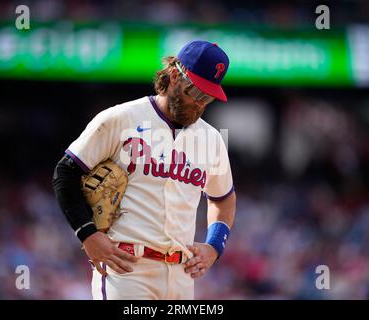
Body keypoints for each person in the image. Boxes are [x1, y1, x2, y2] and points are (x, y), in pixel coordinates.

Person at [52, 40, 236, 300]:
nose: (200, 103)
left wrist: (214, 245)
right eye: (195, 92)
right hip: (127, 269)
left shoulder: (212, 139)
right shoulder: (121, 118)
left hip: (181, 276)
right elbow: (66, 173)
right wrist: (87, 234)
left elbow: (224, 199)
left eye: (208, 97)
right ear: (174, 75)